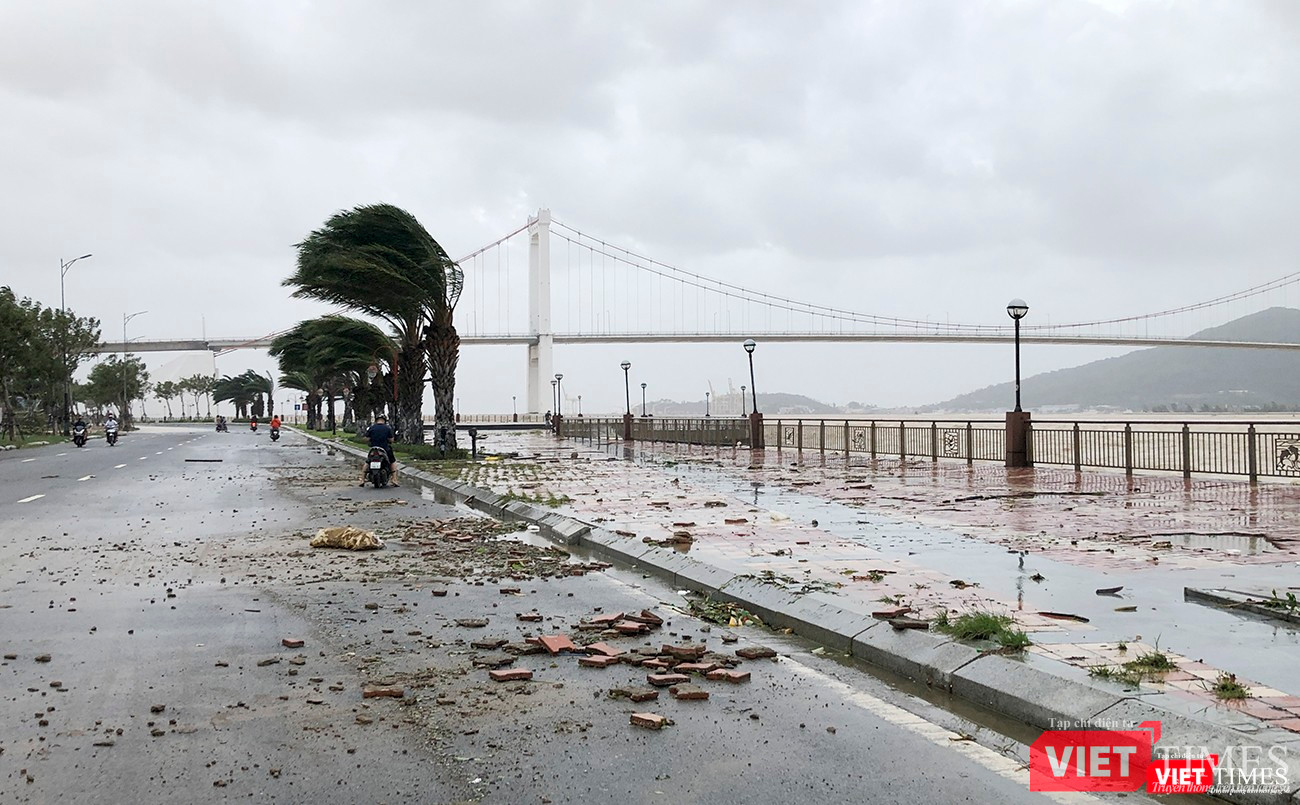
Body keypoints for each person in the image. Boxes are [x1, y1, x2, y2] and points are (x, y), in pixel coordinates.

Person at [360, 415, 398, 487]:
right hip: (385, 449)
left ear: (376, 420)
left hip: (373, 449)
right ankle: (394, 479)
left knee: (368, 462)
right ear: (384, 420)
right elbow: (391, 440)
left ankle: (362, 479)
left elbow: (365, 439)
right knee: (392, 461)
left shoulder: (371, 428)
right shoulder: (387, 428)